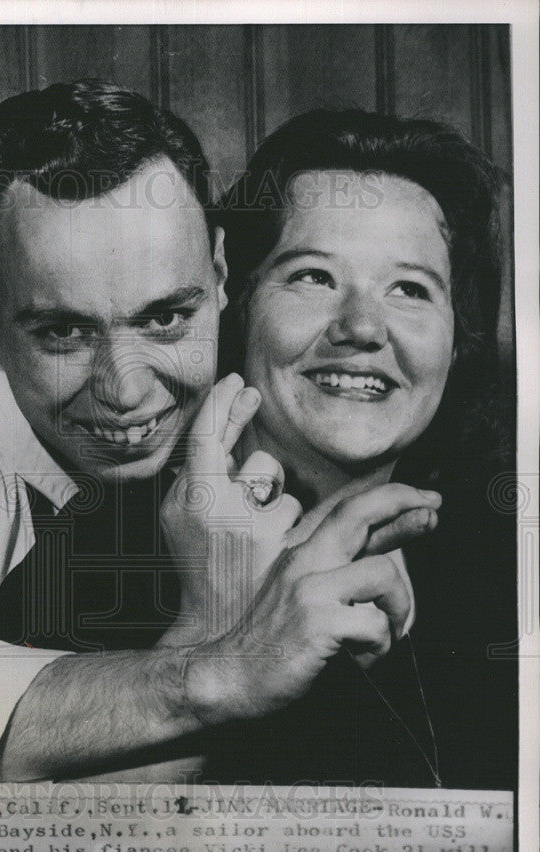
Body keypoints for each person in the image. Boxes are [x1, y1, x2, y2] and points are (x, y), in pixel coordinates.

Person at [0, 83, 439, 786]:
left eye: (165, 319)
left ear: (220, 275)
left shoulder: (265, 349)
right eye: (64, 333)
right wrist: (220, 645)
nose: (127, 391)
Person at [201, 108, 517, 789]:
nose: (362, 327)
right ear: (237, 299)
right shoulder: (80, 548)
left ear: (456, 338)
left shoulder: (509, 577)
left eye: (409, 289)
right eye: (313, 276)